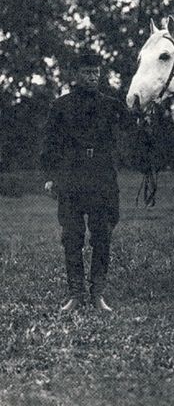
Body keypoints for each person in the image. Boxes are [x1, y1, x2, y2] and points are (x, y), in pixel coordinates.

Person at [41, 52, 133, 312]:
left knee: (102, 235)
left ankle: (97, 294)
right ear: (76, 75)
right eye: (86, 72)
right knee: (72, 236)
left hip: (102, 177)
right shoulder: (60, 106)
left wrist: (141, 109)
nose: (92, 77)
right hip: (71, 176)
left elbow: (132, 127)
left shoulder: (112, 105)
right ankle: (76, 294)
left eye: (95, 72)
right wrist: (50, 177)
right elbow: (49, 144)